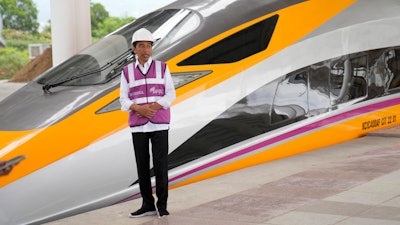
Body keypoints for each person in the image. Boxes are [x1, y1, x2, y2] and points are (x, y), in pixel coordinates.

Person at [119, 28, 176, 218]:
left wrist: (155, 106)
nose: (146, 50)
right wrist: (138, 108)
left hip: (159, 124)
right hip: (138, 125)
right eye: (141, 46)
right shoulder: (126, 72)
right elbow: (123, 100)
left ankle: (162, 206)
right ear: (134, 49)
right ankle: (147, 205)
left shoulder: (163, 67)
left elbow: (171, 94)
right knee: (142, 166)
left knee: (161, 165)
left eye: (149, 46)